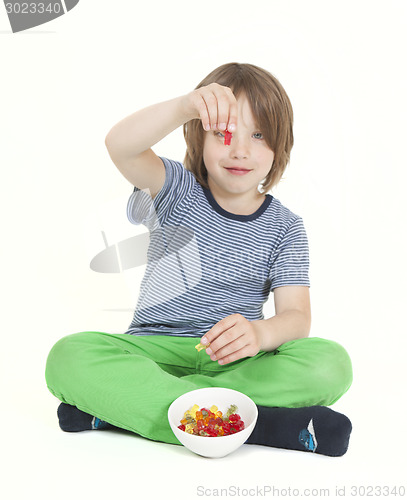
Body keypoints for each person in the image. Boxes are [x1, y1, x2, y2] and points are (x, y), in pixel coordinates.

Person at [45, 62, 353, 457]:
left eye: (258, 135)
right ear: (198, 138)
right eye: (223, 133)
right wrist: (182, 108)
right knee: (69, 356)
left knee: (331, 363)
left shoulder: (285, 227)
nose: (240, 149)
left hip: (236, 365)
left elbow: (296, 317)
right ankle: (261, 425)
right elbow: (120, 145)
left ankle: (129, 409)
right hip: (154, 356)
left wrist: (259, 334)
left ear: (280, 146)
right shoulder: (176, 190)